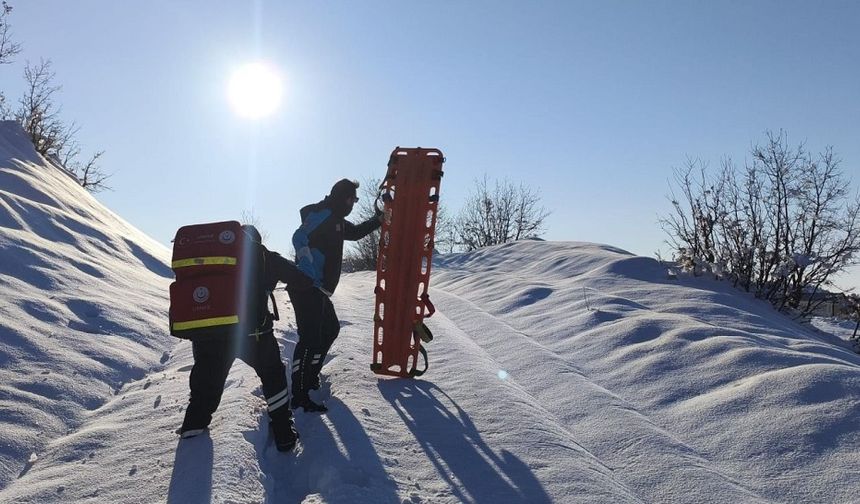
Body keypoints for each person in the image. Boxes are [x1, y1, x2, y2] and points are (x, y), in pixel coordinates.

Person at [179, 225, 312, 452]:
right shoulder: (264, 255)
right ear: (257, 240)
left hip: (211, 333)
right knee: (273, 375)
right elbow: (302, 279)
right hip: (254, 335)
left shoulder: (210, 257)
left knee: (207, 377)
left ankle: (194, 424)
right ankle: (283, 431)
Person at [289, 179, 382, 412]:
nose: (353, 203)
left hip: (317, 289)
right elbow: (298, 237)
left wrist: (378, 220)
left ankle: (309, 377)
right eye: (352, 199)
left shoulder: (337, 220)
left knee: (330, 330)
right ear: (343, 198)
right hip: (306, 286)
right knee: (309, 338)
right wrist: (307, 267)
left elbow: (357, 232)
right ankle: (299, 395)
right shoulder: (322, 214)